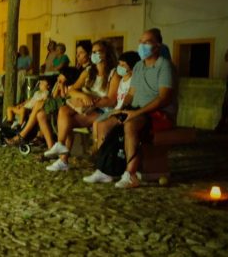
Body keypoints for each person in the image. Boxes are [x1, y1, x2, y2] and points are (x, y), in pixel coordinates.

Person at [43, 40, 120, 171]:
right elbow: (73, 90)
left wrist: (92, 102)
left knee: (66, 119)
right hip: (87, 108)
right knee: (64, 112)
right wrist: (84, 97)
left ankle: (62, 156)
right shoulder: (89, 71)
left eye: (98, 52)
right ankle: (61, 148)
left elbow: (111, 100)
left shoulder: (114, 74)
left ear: (106, 54)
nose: (94, 54)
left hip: (103, 111)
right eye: (93, 52)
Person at [112, 29, 176, 188]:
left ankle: (131, 174)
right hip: (137, 110)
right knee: (107, 123)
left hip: (159, 114)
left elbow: (164, 98)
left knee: (130, 124)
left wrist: (135, 113)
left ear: (157, 45)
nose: (142, 45)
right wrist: (122, 108)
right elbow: (131, 93)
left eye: (146, 42)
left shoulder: (165, 66)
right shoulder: (139, 66)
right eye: (140, 42)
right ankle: (108, 168)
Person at [83, 51, 141, 183]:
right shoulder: (122, 80)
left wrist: (119, 110)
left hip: (124, 111)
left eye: (123, 65)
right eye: (119, 63)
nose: (119, 67)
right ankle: (102, 163)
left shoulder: (134, 80)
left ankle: (105, 165)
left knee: (102, 126)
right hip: (117, 110)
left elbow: (129, 99)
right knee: (98, 124)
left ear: (131, 67)